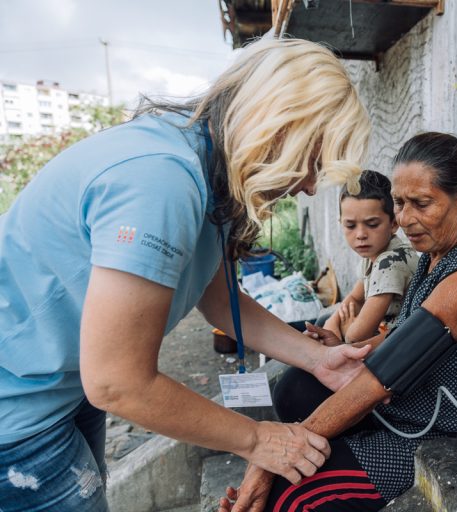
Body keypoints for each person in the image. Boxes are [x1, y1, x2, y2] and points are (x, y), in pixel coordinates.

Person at [0, 37, 372, 511]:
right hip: (16, 411)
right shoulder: (161, 181)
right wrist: (258, 440)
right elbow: (118, 382)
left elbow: (215, 293)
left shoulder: (201, 162)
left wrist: (315, 358)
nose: (309, 186)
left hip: (65, 390)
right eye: (311, 161)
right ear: (276, 128)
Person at [218, 132, 457, 512]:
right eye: (400, 203)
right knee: (296, 389)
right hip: (416, 400)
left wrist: (273, 456)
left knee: (292, 498)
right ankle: (334, 452)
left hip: (446, 432)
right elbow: (400, 340)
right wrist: (349, 350)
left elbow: (380, 379)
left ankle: (340, 461)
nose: (406, 219)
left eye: (422, 203)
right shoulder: (436, 257)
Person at [321, 170, 419, 343]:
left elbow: (357, 335)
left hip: (397, 346)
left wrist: (346, 330)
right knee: (325, 321)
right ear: (341, 224)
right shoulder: (372, 255)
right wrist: (332, 323)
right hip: (383, 336)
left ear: (394, 223)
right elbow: (355, 299)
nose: (360, 234)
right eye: (350, 225)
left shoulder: (390, 263)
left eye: (372, 224)